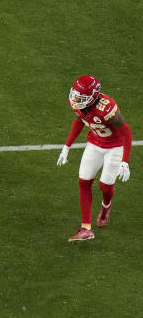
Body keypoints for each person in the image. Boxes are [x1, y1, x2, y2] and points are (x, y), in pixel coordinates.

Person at [56, 74, 132, 242]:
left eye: (81, 96)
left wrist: (125, 161)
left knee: (105, 186)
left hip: (114, 146)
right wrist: (66, 147)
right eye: (75, 93)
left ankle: (106, 204)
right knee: (83, 181)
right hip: (94, 144)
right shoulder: (80, 106)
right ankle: (86, 229)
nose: (76, 99)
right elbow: (79, 121)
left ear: (93, 97)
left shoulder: (107, 109)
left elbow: (126, 131)